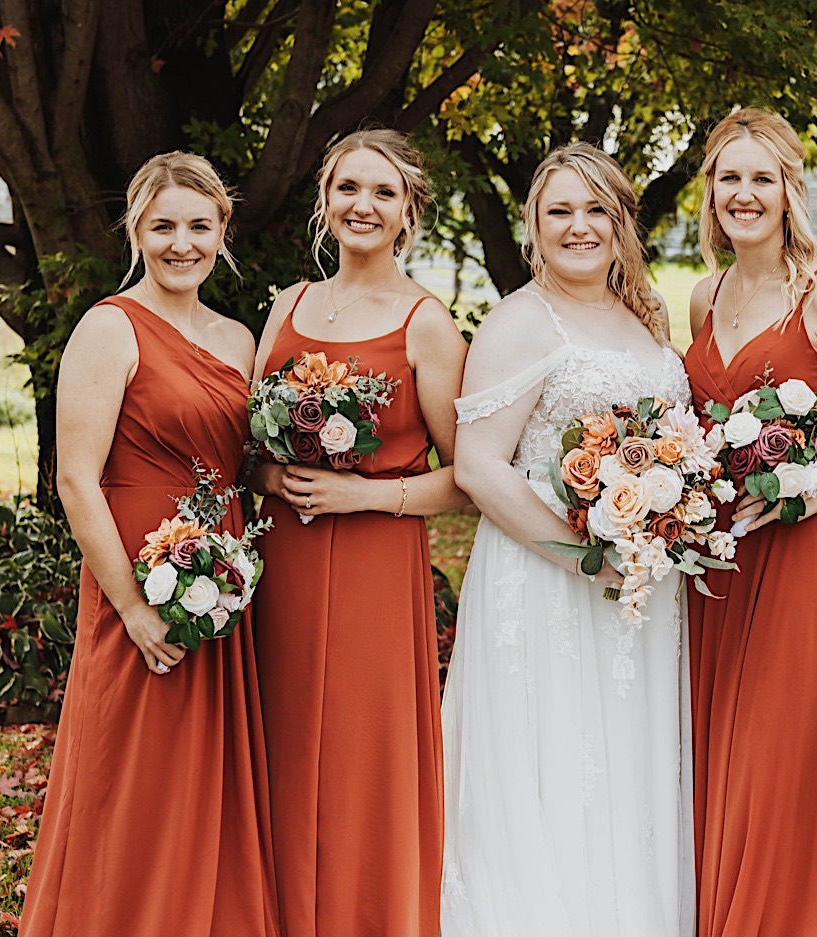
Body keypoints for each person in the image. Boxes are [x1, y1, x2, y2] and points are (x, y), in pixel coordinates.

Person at [441, 142, 693, 936]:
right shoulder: (519, 320)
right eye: (560, 212)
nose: (579, 227)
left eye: (596, 210)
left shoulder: (641, 318)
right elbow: (479, 468)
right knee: (552, 757)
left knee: (630, 758)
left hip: (641, 586)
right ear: (533, 227)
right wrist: (582, 558)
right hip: (547, 581)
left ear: (621, 223)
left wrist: (652, 529)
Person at [21, 151, 277, 935]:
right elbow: (75, 479)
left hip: (218, 581)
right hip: (137, 576)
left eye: (199, 226)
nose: (181, 243)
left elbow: (245, 465)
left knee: (205, 772)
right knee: (130, 771)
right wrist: (131, 605)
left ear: (222, 232)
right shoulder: (108, 327)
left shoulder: (238, 339)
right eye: (163, 225)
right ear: (136, 229)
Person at [248, 127, 468, 935]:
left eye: (382, 193)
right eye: (349, 189)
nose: (363, 206)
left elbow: (466, 478)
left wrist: (363, 497)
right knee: (280, 737)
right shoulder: (287, 307)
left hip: (377, 560)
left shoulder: (426, 323)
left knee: (359, 753)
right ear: (325, 201)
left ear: (409, 212)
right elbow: (245, 450)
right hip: (285, 562)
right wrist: (274, 478)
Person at [683, 107, 817, 936]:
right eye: (729, 178)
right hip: (717, 559)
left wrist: (813, 495)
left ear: (789, 191)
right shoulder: (704, 294)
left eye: (760, 178)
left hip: (800, 552)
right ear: (711, 193)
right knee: (722, 750)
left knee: (786, 754)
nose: (744, 193)